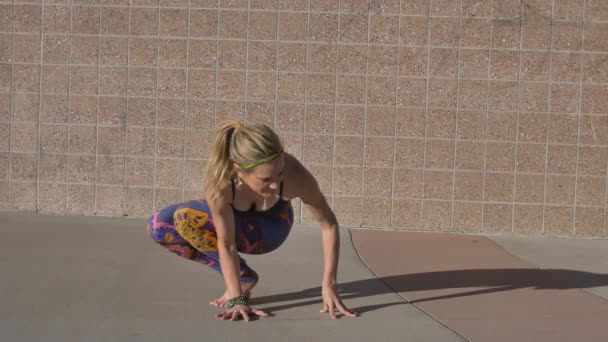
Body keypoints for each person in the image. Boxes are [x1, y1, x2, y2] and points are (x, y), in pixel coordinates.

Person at [147, 119, 357, 321]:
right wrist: (237, 298)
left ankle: (239, 281)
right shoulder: (220, 185)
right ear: (239, 170)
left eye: (279, 174)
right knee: (161, 224)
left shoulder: (295, 175)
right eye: (266, 179)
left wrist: (329, 284)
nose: (275, 185)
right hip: (237, 228)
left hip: (270, 231)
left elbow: (328, 224)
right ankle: (244, 277)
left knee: (185, 217)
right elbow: (226, 244)